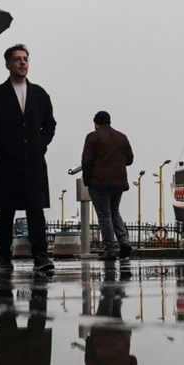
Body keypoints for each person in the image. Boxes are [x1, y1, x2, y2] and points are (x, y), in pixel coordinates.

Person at [0, 44, 57, 275]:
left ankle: (40, 256)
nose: (22, 63)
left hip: (33, 160)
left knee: (36, 209)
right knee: (6, 209)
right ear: (7, 64)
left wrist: (41, 144)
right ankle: (4, 256)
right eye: (17, 59)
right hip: (7, 161)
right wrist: (2, 145)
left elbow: (50, 123)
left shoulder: (39, 94)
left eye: (25, 59)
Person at [81, 110, 135, 261]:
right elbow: (130, 159)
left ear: (96, 123)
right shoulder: (121, 137)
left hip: (99, 183)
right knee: (114, 211)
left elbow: (86, 161)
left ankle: (109, 250)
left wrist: (87, 180)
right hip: (118, 183)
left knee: (104, 215)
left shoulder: (93, 137)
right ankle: (124, 242)